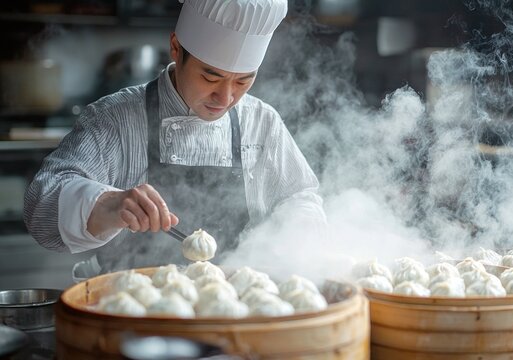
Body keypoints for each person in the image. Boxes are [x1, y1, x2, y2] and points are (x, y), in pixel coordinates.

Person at [23, 0, 326, 275]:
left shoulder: (262, 122)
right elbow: (41, 210)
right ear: (176, 47)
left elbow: (301, 197)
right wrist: (107, 204)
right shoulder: (114, 119)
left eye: (244, 80)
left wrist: (289, 234)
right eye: (211, 77)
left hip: (238, 314)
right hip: (133, 312)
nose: (226, 97)